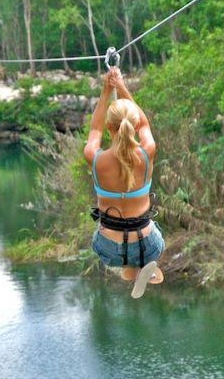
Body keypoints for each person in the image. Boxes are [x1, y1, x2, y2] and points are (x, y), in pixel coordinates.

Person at [83, 67, 165, 299]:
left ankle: (129, 266)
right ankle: (140, 266)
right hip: (147, 241)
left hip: (109, 247)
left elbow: (95, 128)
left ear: (111, 127)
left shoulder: (96, 158)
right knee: (147, 237)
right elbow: (145, 125)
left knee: (113, 242)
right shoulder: (147, 153)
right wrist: (121, 85)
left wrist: (106, 89)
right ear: (134, 125)